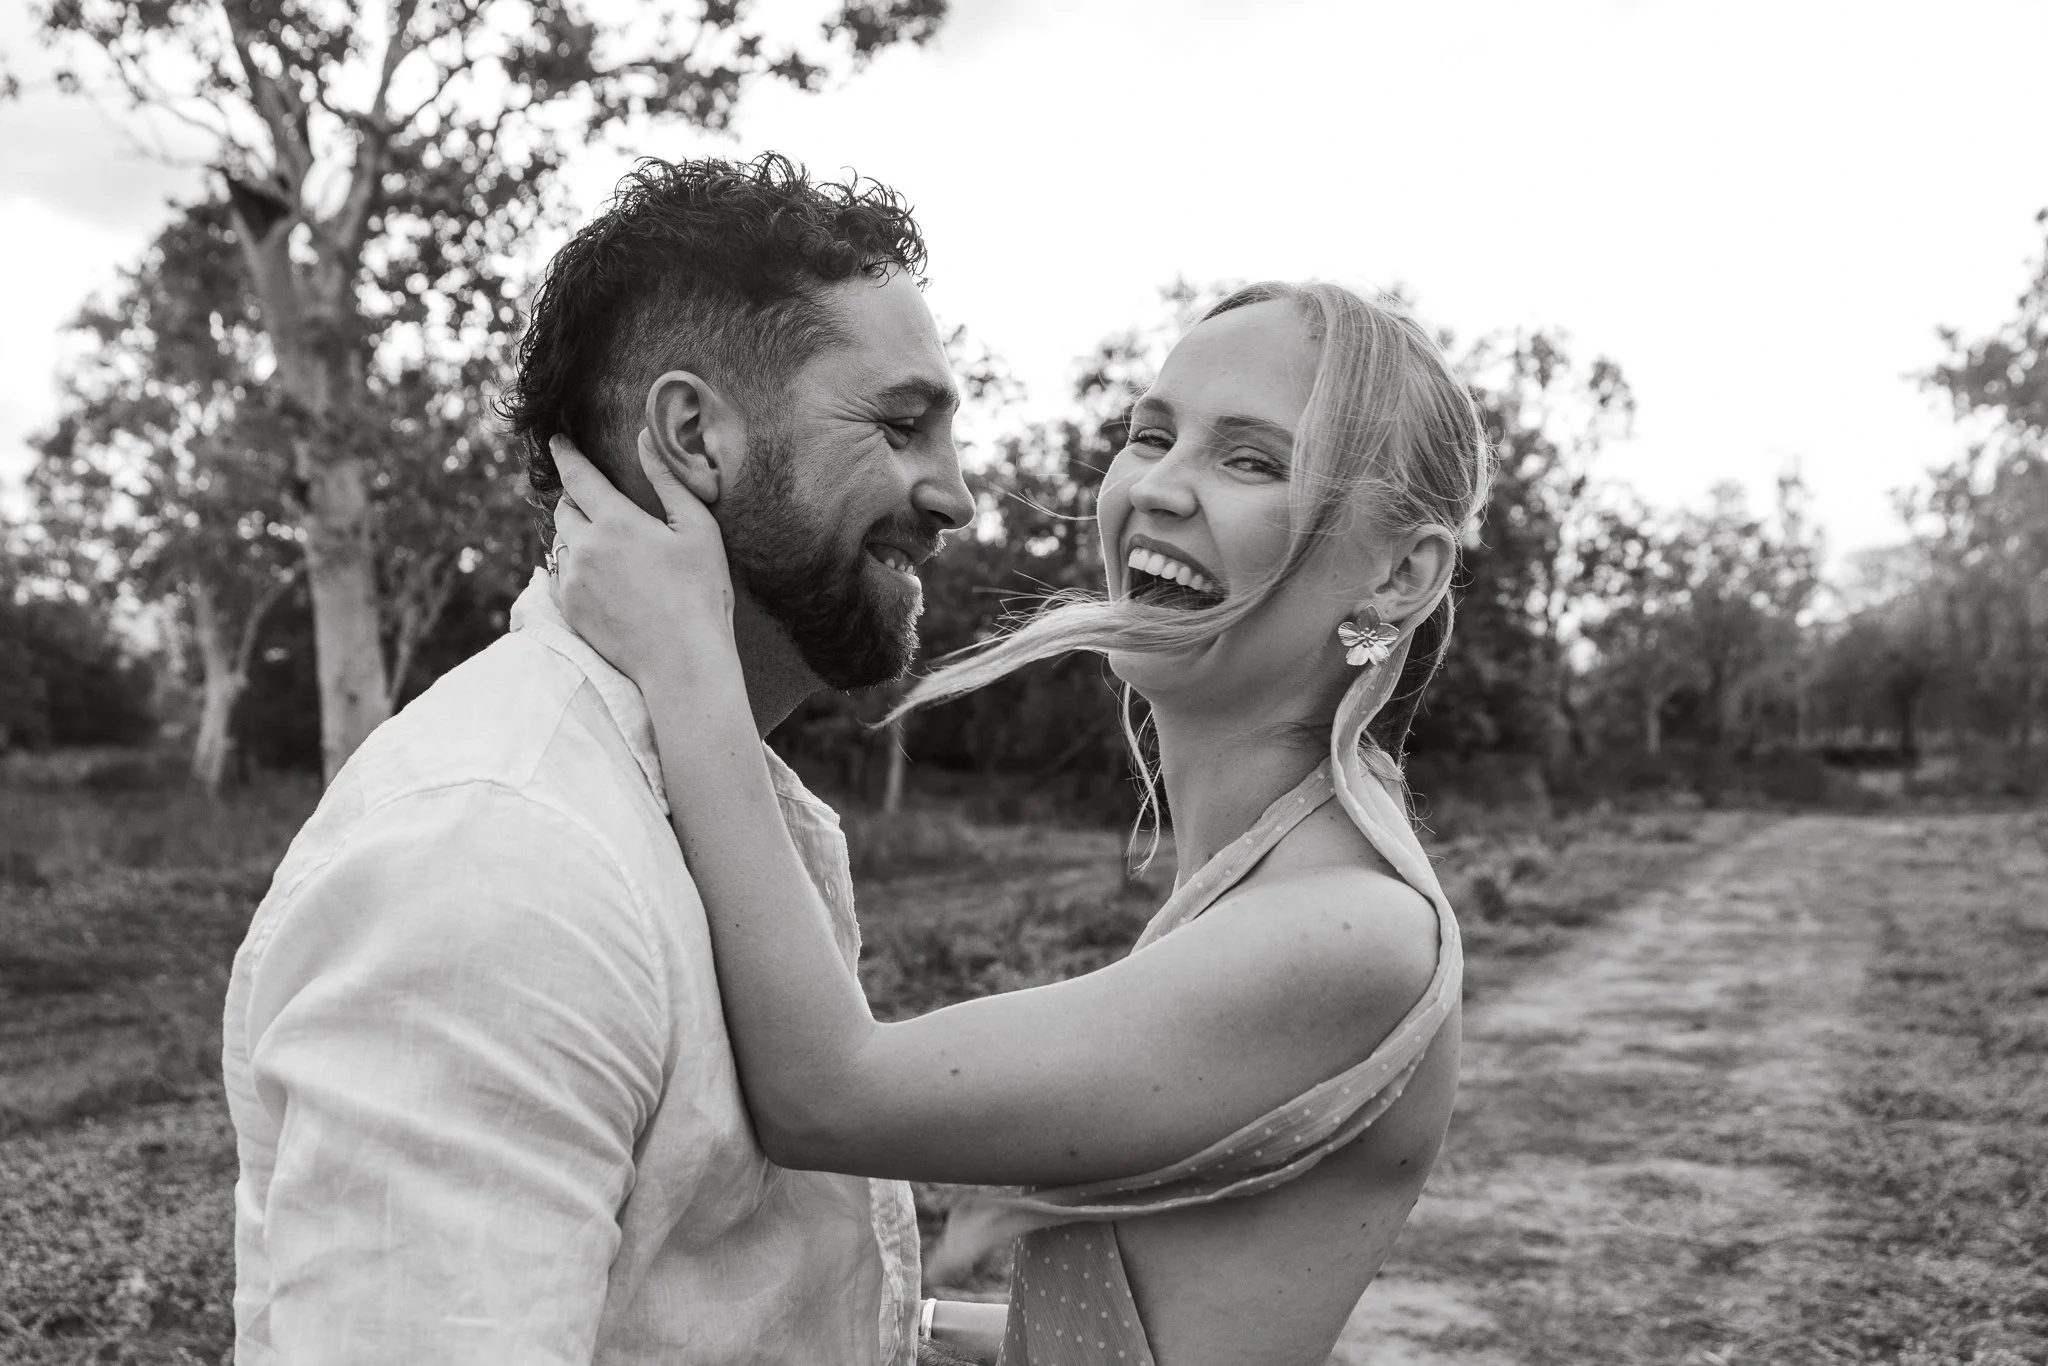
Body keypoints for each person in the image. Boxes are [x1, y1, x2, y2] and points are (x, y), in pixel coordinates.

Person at [545, 278, 1494, 1365]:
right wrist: (905, 1331)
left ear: (1399, 575)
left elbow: (828, 1094)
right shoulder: (1271, 879)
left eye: (1250, 460)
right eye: (1151, 435)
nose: (1158, 487)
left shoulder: (1348, 930)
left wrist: (686, 654)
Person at [220, 154, 991, 1365]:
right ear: (692, 436)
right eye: (901, 426)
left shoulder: (703, 798)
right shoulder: (497, 856)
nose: (955, 496)